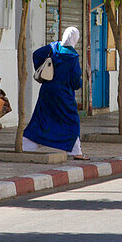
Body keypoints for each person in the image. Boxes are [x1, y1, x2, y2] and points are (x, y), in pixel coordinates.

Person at [23, 26, 88, 160]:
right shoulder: (73, 57)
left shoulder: (53, 47)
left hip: (47, 91)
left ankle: (27, 146)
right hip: (64, 95)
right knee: (71, 121)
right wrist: (79, 84)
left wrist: (46, 72)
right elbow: (75, 80)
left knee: (42, 118)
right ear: (75, 39)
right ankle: (76, 151)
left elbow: (36, 54)